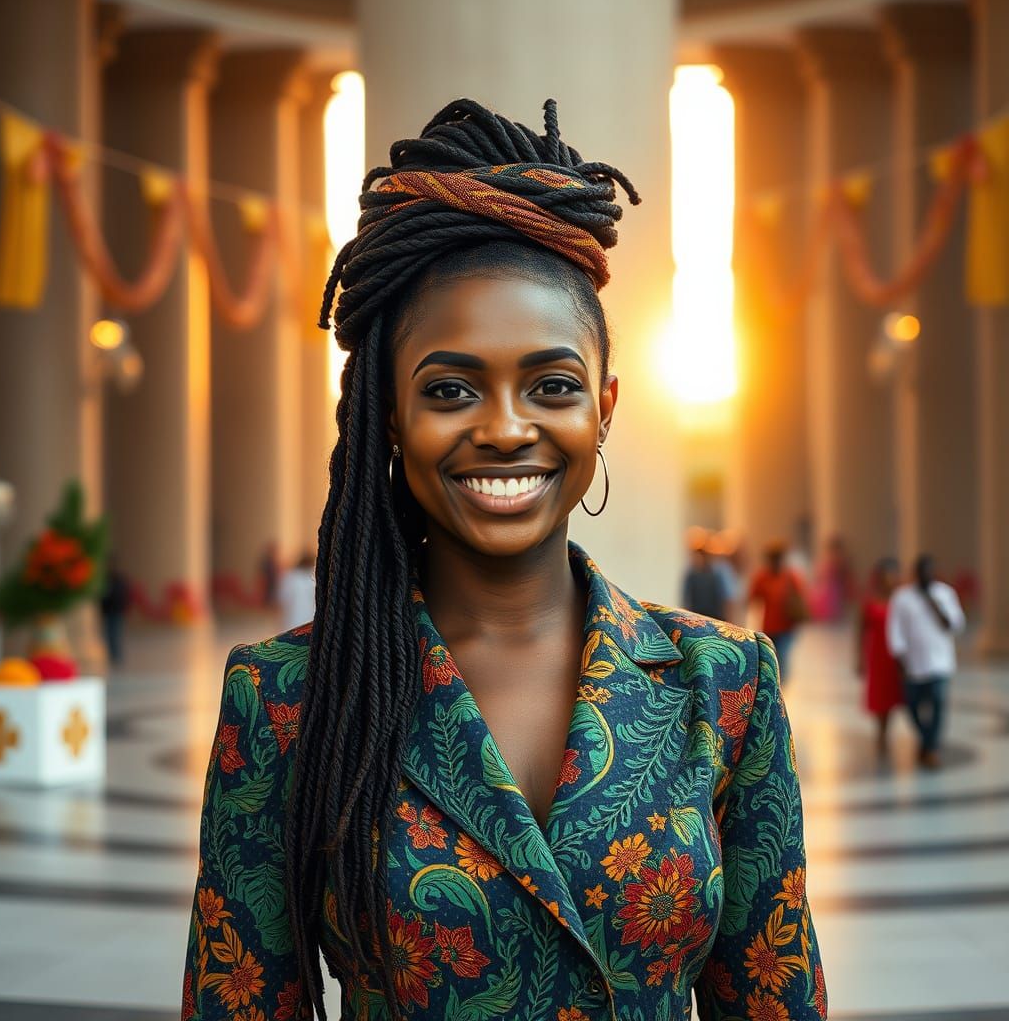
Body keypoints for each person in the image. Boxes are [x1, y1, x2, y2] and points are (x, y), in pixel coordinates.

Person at [181, 99, 826, 1021]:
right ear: (389, 417)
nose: (505, 427)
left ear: (603, 407)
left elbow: (775, 1000)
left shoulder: (723, 683)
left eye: (551, 385)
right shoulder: (285, 697)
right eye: (451, 389)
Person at [886, 554, 966, 769]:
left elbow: (956, 624)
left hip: (940, 662)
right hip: (913, 664)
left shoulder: (945, 593)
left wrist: (935, 605)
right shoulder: (902, 597)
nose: (925, 576)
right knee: (912, 706)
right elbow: (895, 629)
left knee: (938, 703)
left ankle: (931, 748)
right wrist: (899, 657)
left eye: (929, 571)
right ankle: (926, 740)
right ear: (915, 574)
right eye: (921, 572)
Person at [856, 557, 903, 757]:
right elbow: (860, 630)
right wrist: (858, 657)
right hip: (876, 654)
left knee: (894, 694)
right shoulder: (870, 600)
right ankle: (881, 732)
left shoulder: (900, 600)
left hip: (895, 654)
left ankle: (888, 728)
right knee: (879, 695)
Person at [748, 539, 809, 683]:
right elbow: (752, 598)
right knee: (769, 657)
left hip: (787, 627)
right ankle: (773, 684)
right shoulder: (762, 577)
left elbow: (801, 598)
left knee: (782, 657)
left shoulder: (791, 576)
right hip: (769, 627)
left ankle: (780, 687)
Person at [681, 535, 727, 620]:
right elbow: (686, 598)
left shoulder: (715, 575)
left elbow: (721, 598)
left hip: (713, 616)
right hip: (695, 616)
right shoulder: (691, 575)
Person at [98, 552, 131, 666]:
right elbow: (101, 595)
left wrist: (124, 607)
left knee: (115, 634)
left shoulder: (119, 579)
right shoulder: (105, 579)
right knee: (108, 634)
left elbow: (125, 594)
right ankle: (112, 655)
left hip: (116, 611)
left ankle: (116, 655)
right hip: (108, 611)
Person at [278, 550, 316, 631]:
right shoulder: (314, 579)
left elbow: (282, 598)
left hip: (293, 622)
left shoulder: (290, 577)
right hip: (310, 621)